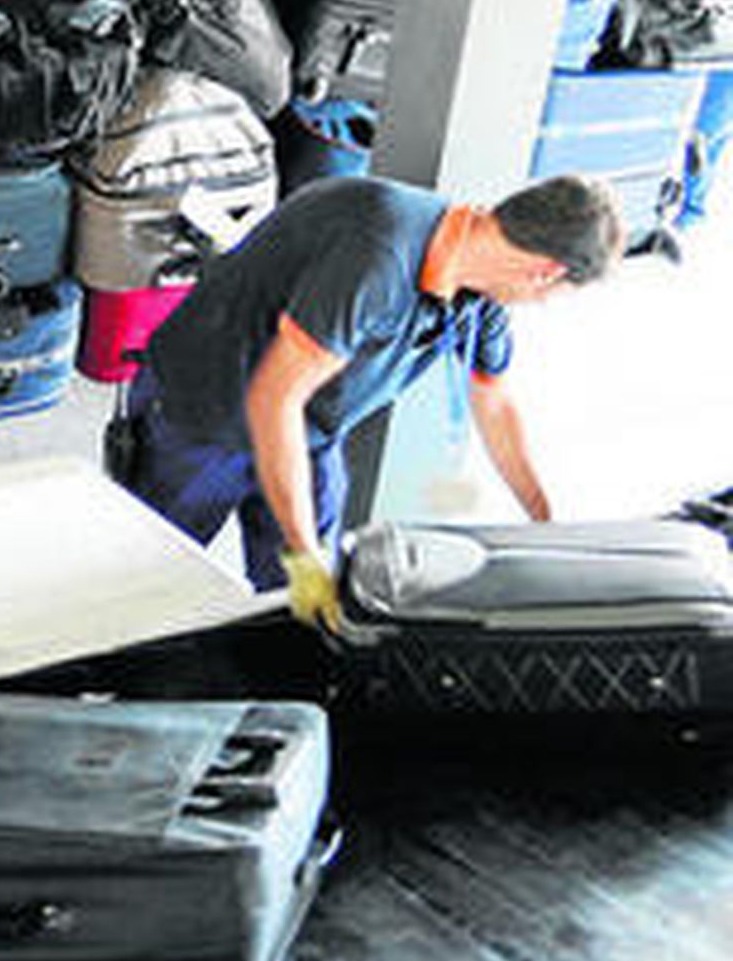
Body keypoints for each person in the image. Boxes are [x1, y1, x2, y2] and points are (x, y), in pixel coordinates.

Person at [124, 173, 624, 630]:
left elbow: (493, 401)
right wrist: (300, 550)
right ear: (547, 272)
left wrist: (545, 520)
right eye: (555, 295)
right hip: (204, 413)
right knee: (151, 577)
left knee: (305, 602)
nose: (543, 305)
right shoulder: (379, 254)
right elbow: (275, 397)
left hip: (309, 431)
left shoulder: (480, 295)